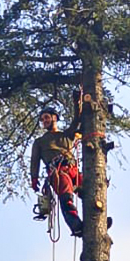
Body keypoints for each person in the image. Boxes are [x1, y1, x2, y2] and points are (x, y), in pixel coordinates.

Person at [30, 101, 84, 236]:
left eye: (46, 117)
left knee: (91, 190)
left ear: (55, 117)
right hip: (58, 172)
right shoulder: (40, 142)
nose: (44, 121)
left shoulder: (66, 135)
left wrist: (77, 102)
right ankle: (76, 226)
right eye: (42, 119)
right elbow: (34, 161)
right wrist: (34, 178)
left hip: (72, 169)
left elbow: (77, 120)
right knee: (66, 198)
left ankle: (96, 221)